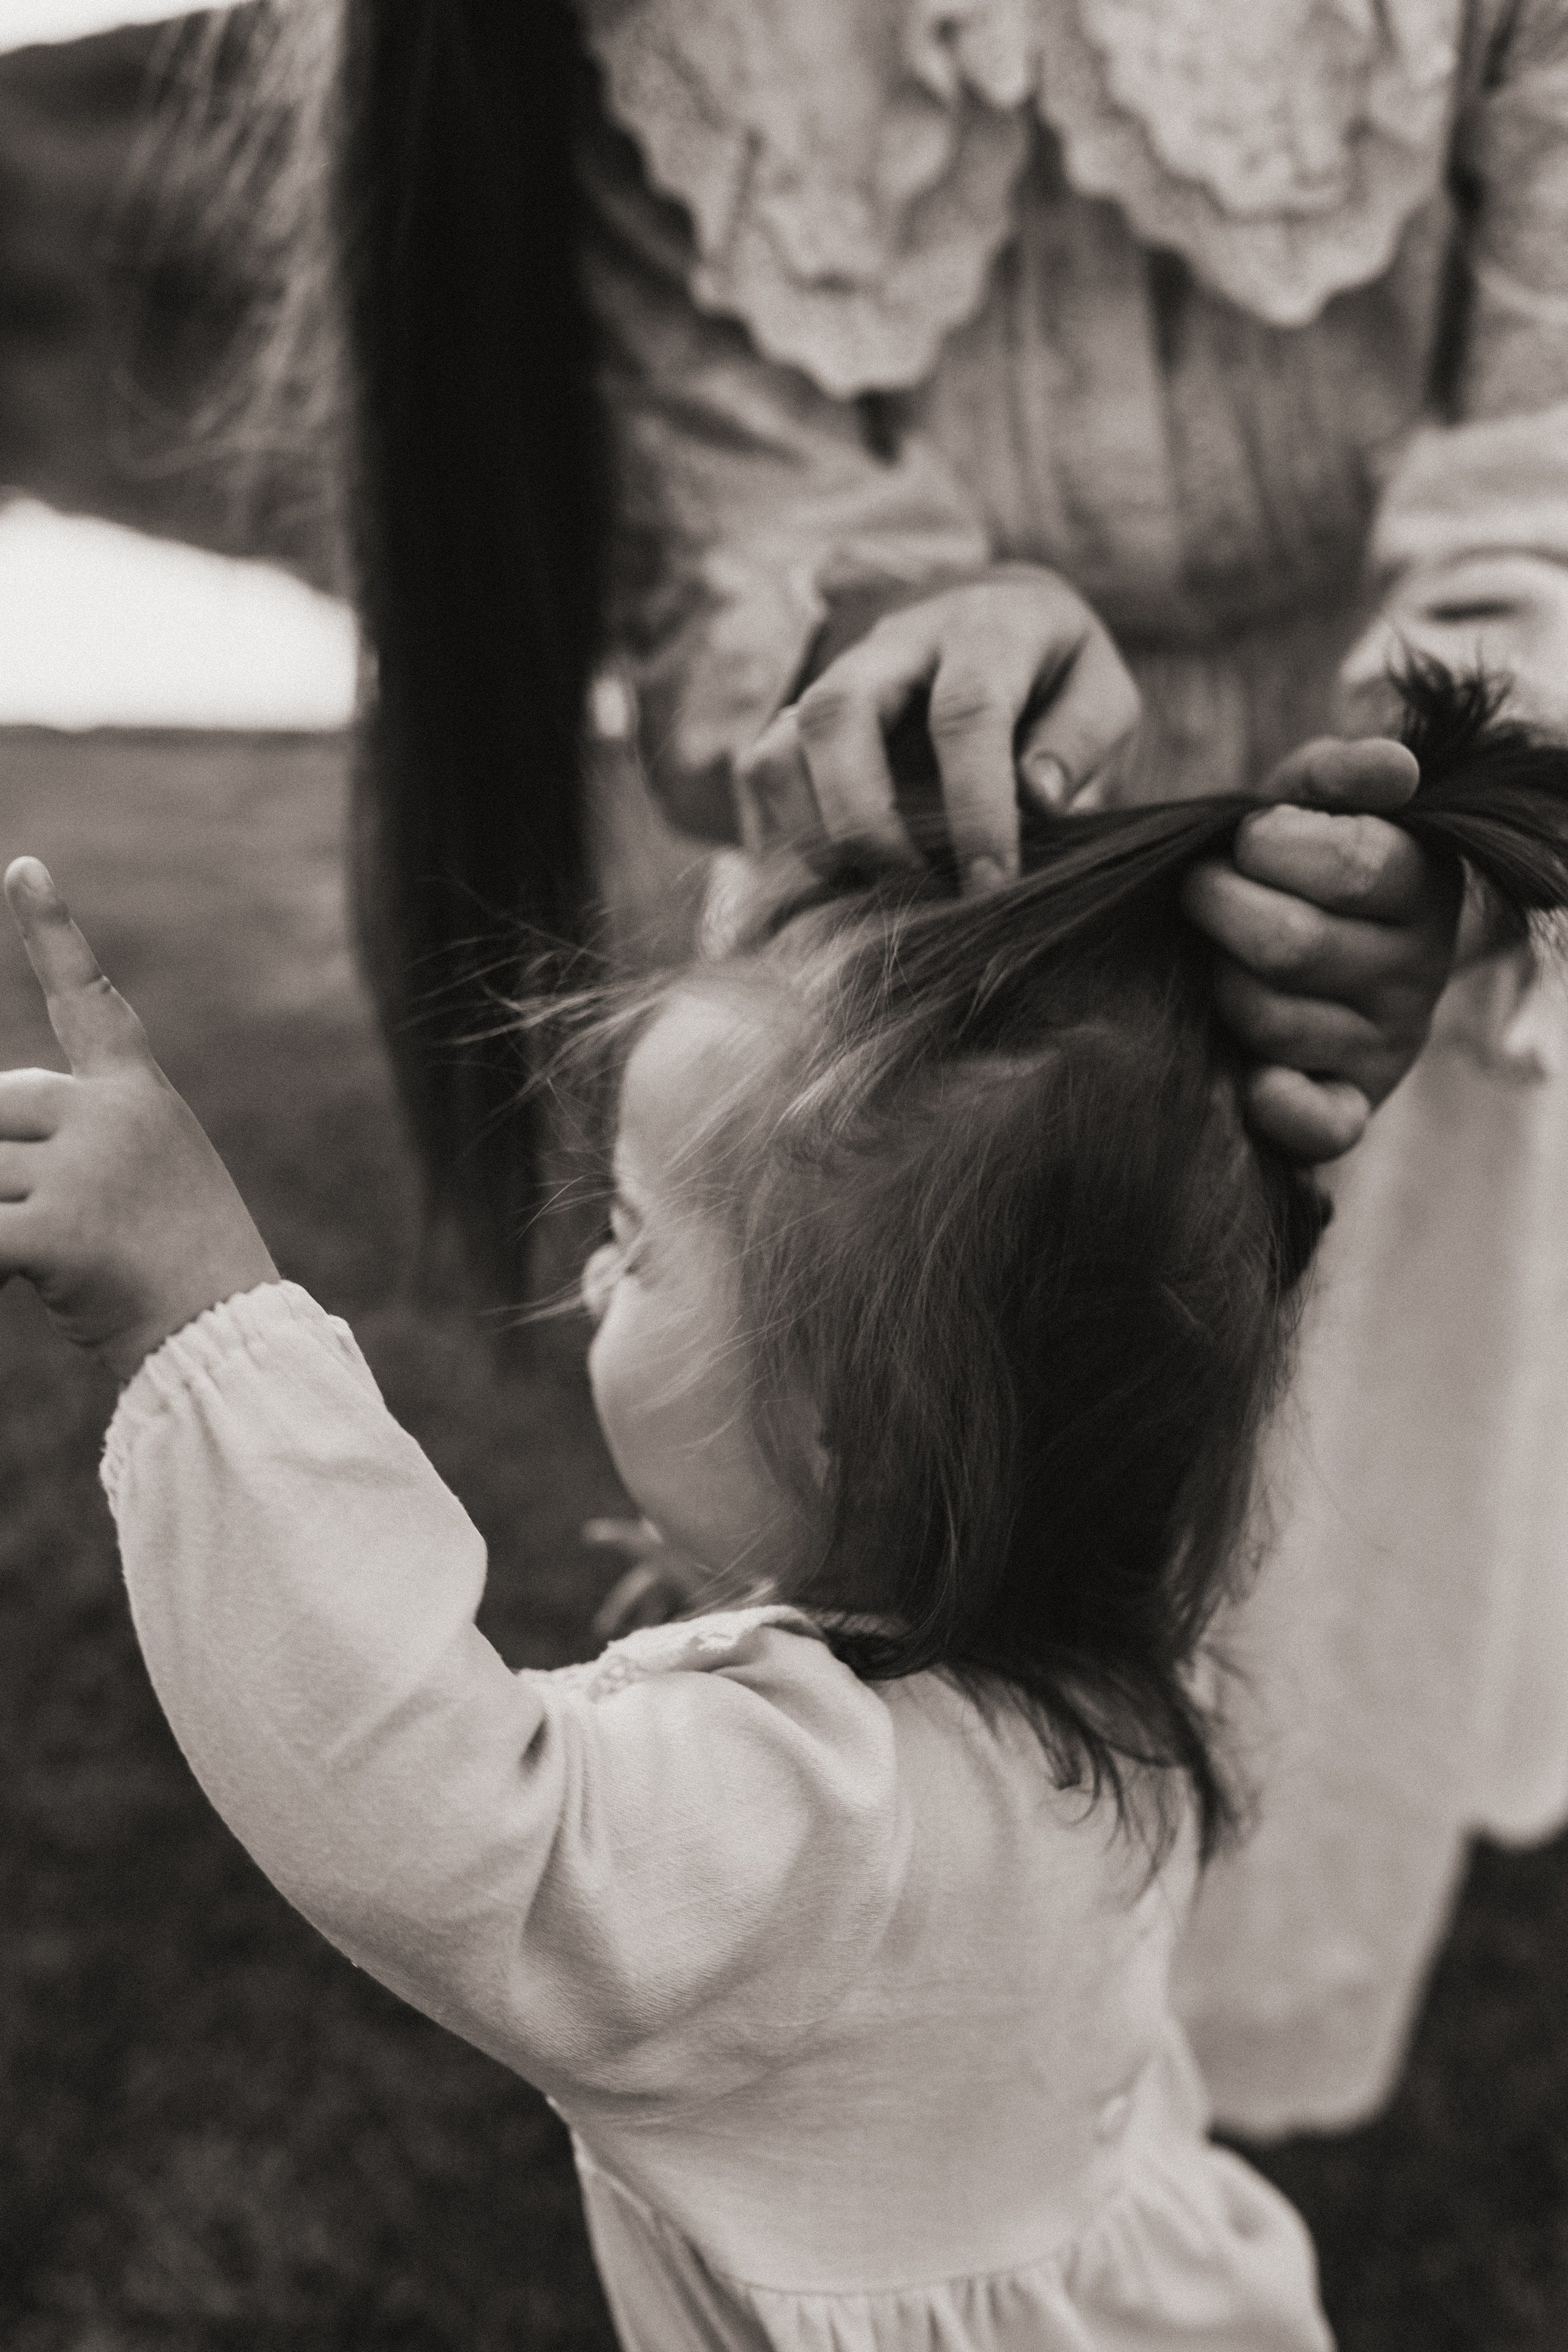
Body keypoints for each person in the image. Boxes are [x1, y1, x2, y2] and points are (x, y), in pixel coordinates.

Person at [187, 0, 1568, 2136]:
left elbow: (1549, 435)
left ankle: (1133, 2142)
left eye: (628, 1237)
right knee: (949, 1725)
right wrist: (893, 645)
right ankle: (1054, 2146)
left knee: (1238, 1644)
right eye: (630, 1228)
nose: (583, 1278)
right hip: (906, 925)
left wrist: (1457, 805)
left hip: (1359, 852)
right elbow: (737, 502)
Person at [7, 673, 1567, 2351]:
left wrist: (197, 1310)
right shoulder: (1103, 1659)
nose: (592, 1276)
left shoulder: (813, 1835)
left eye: (637, 1239)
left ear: (848, 1424)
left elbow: (449, 1822)